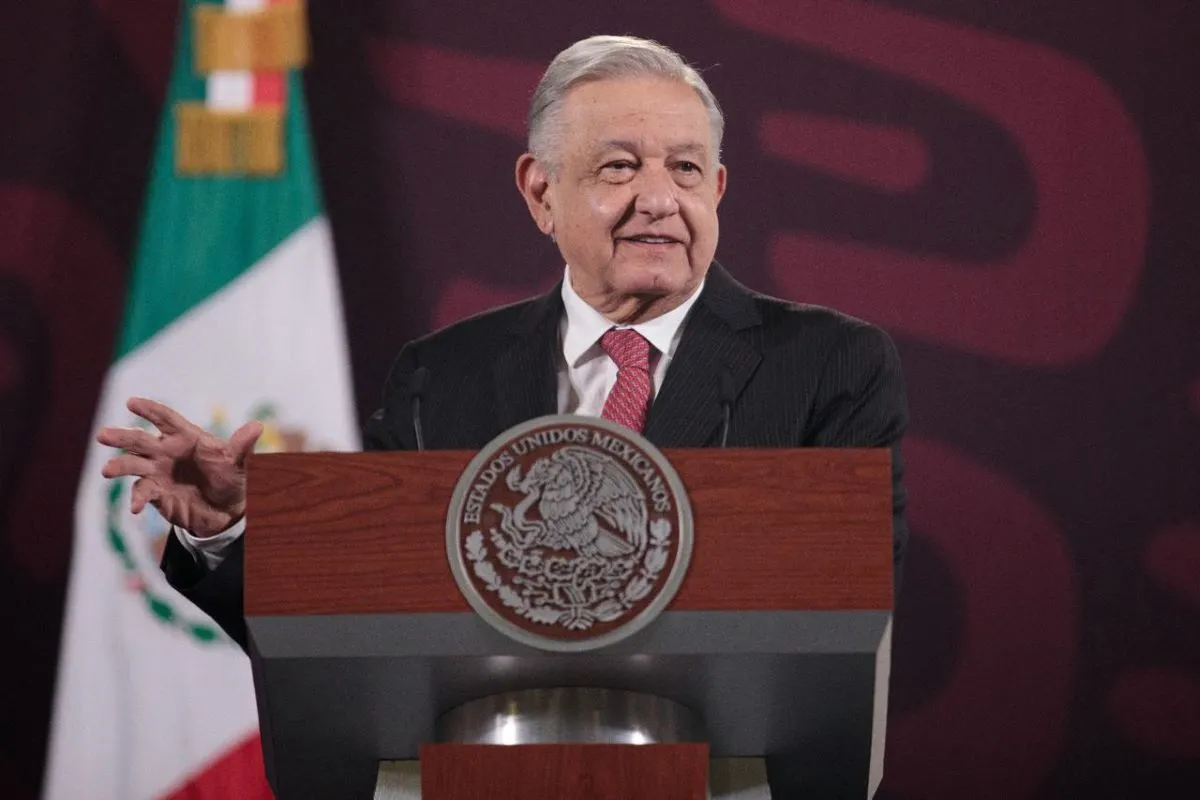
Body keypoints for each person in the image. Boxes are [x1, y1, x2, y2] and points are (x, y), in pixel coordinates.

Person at [99, 34, 908, 791]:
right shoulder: (440, 378)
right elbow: (343, 631)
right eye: (620, 167)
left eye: (688, 169)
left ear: (719, 189)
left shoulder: (827, 363)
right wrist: (235, 527)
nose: (660, 198)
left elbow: (847, 619)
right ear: (540, 191)